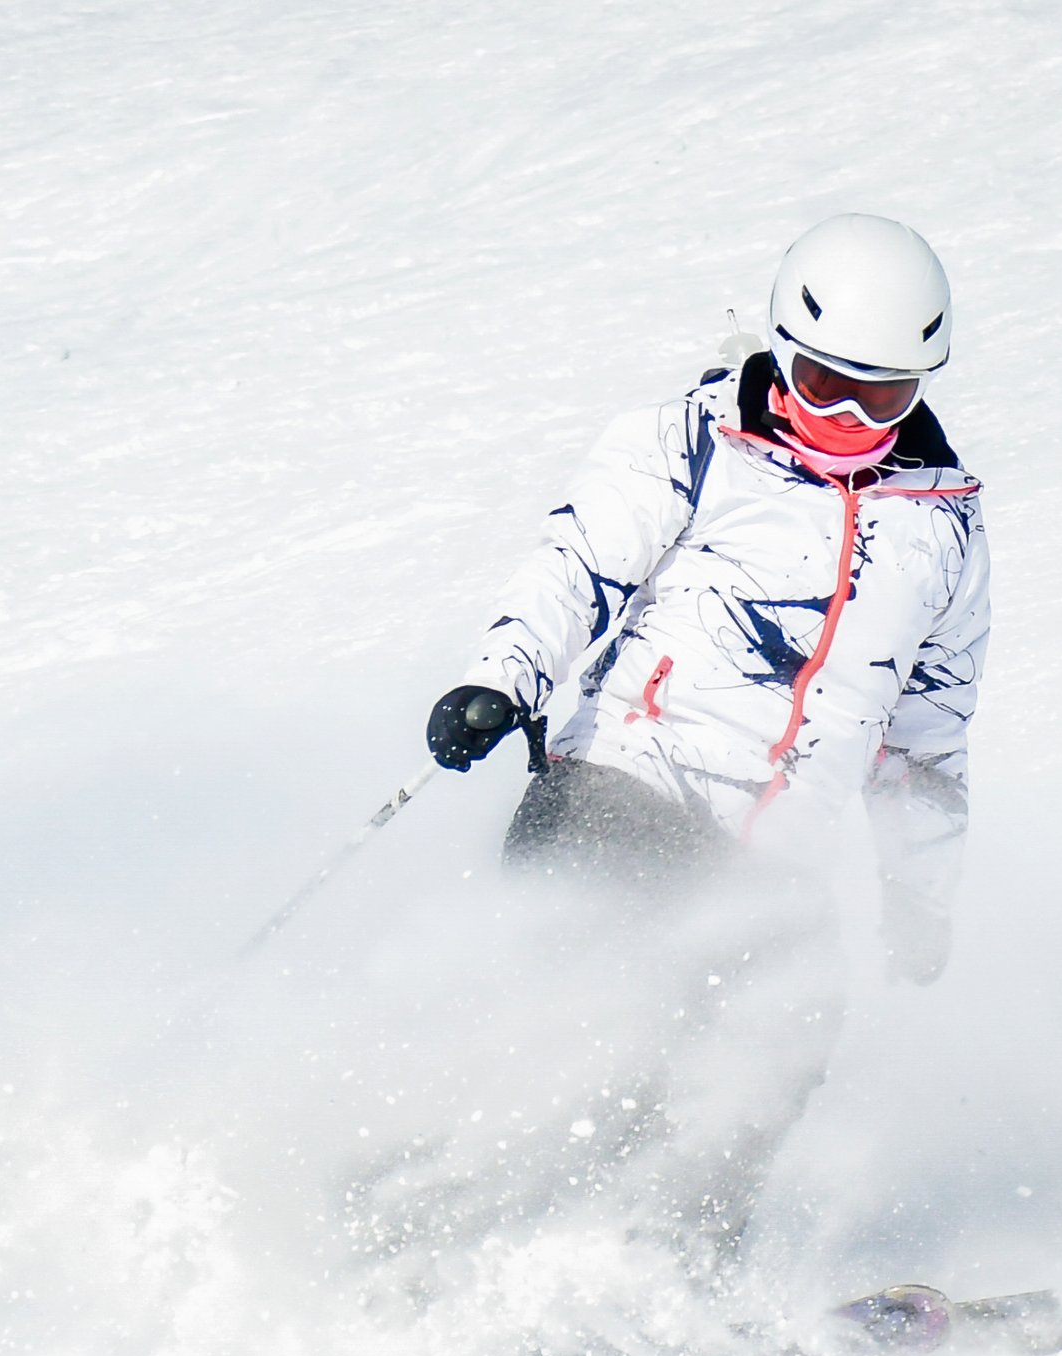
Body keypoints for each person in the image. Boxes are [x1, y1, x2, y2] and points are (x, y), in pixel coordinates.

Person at [421, 214, 990, 1283]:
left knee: (789, 1017)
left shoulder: (942, 529)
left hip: (761, 859)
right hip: (616, 793)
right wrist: (501, 681)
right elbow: (578, 561)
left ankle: (676, 1268)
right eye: (825, 384)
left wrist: (921, 889)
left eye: (884, 396)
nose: (848, 419)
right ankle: (441, 1235)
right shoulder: (695, 445)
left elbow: (927, 734)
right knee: (615, 1047)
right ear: (780, 350)